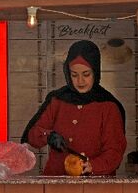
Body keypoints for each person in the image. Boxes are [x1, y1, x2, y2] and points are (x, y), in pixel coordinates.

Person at [21, 40, 127, 176]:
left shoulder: (109, 106)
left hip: (95, 185)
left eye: (86, 74)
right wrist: (48, 136)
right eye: (74, 75)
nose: (80, 81)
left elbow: (115, 151)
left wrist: (92, 166)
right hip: (56, 183)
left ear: (96, 72)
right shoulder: (57, 100)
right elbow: (32, 135)